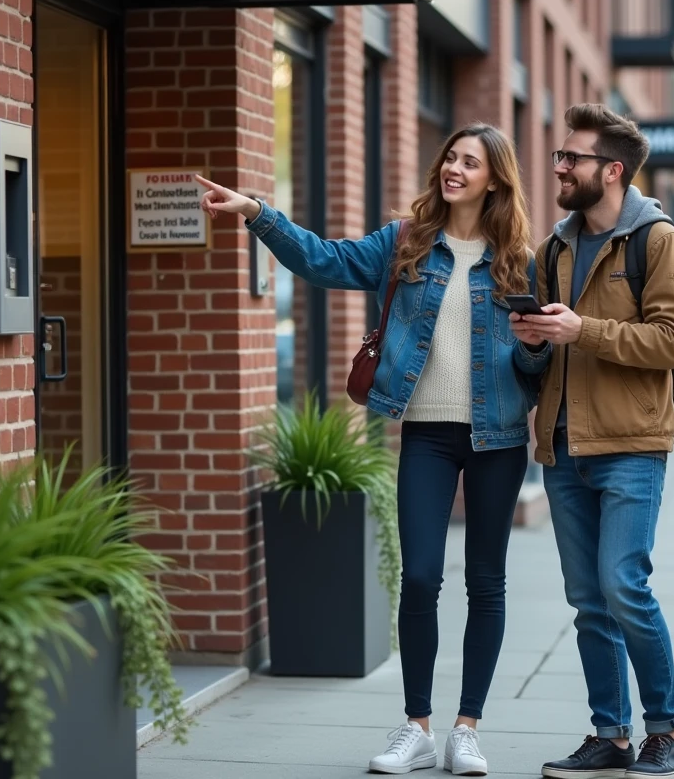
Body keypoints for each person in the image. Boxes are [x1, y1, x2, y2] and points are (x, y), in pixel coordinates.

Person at [194, 123, 551, 777]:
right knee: (419, 577)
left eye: (469, 162)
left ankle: (465, 729)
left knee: (486, 582)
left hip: (498, 439)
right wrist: (257, 214)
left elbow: (538, 365)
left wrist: (534, 345)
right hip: (427, 434)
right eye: (450, 157)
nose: (453, 168)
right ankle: (416, 725)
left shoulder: (521, 262)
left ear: (495, 178)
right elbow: (324, 260)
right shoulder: (405, 243)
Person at [510, 104, 674, 779]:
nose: (559, 167)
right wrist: (531, 345)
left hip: (630, 446)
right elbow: (538, 362)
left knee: (624, 587)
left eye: (572, 158)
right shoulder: (551, 250)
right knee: (589, 602)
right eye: (560, 157)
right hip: (561, 448)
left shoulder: (659, 241)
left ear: (612, 171)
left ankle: (666, 731)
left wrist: (580, 330)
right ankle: (610, 737)